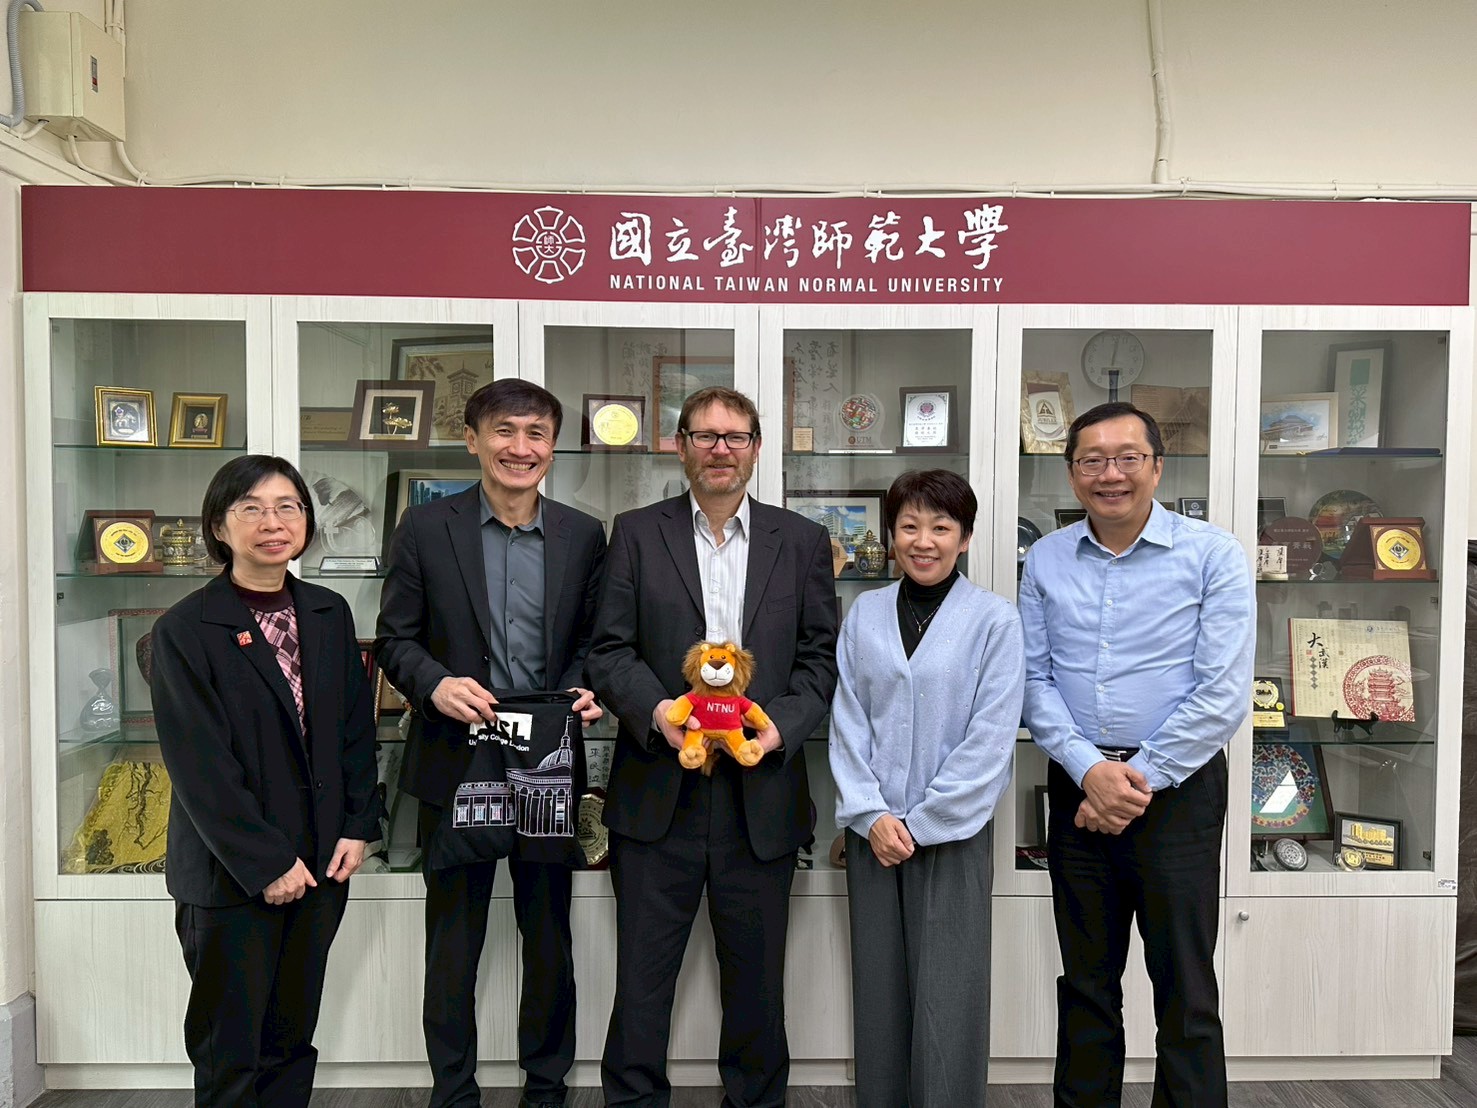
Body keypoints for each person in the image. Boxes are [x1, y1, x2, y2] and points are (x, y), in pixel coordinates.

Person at [586, 385, 839, 1108]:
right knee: (641, 980)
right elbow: (608, 651)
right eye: (704, 436)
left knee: (757, 984)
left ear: (756, 448)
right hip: (657, 789)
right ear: (681, 447)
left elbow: (821, 658)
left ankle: (755, 1100)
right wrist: (659, 714)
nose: (719, 449)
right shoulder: (636, 533)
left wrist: (777, 726)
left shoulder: (800, 541)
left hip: (760, 796)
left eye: (734, 437)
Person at [375, 379, 605, 1108]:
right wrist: (435, 685)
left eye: (536, 434)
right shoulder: (424, 528)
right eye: (504, 431)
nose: (520, 448)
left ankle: (548, 1089)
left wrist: (581, 686)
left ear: (552, 448)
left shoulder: (583, 535)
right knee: (452, 943)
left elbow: (596, 642)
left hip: (546, 759)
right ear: (473, 440)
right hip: (455, 753)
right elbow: (395, 639)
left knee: (549, 936)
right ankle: (453, 1093)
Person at [1019, 401, 1254, 1108]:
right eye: (1091, 460)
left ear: (1157, 466)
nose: (1110, 474)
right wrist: (1090, 771)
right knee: (1085, 981)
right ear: (1071, 473)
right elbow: (1033, 679)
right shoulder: (1047, 557)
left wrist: (1131, 782)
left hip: (1178, 792)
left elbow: (1222, 694)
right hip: (1077, 787)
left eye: (1127, 457)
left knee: (1184, 983)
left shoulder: (1212, 554)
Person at [149, 455, 382, 1107]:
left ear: (306, 521)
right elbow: (201, 768)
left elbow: (354, 731)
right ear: (218, 526)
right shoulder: (184, 629)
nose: (272, 523)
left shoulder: (329, 612)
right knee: (231, 1051)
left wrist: (359, 827)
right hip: (231, 875)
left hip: (321, 865)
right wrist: (267, 862)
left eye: (287, 507)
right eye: (250, 508)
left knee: (290, 1041)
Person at [829, 469, 1023, 1108]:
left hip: (953, 836)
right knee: (878, 992)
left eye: (941, 527)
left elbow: (991, 738)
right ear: (891, 534)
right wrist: (871, 815)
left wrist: (923, 822)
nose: (923, 540)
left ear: (964, 538)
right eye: (909, 526)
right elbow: (847, 721)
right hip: (874, 835)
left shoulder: (994, 621)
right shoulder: (865, 613)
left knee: (950, 997)